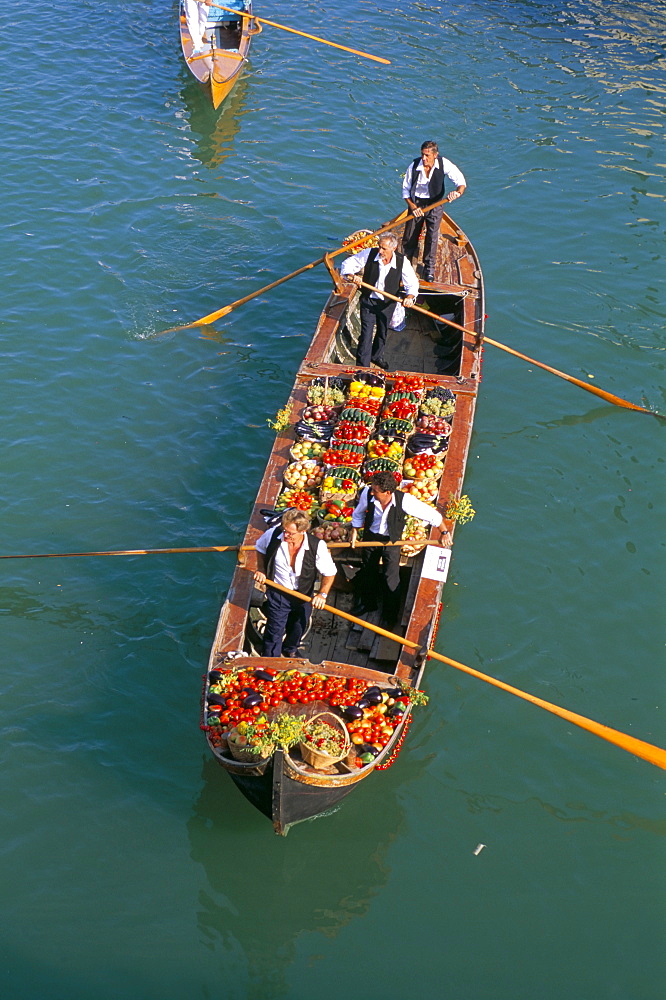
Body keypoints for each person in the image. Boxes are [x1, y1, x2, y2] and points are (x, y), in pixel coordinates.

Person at [350, 471, 451, 628]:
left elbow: (432, 516)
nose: (372, 492)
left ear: (387, 492)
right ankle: (368, 603)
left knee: (391, 578)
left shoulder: (405, 501)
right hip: (370, 539)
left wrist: (444, 532)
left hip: (391, 542)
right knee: (368, 571)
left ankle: (390, 616)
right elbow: (358, 513)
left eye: (375, 490)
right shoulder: (367, 494)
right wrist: (354, 533)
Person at [254, 509, 337, 658]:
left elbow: (329, 572)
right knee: (275, 629)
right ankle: (271, 659)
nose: (285, 535)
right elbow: (260, 548)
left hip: (303, 594)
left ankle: (290, 649)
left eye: (290, 533)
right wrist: (261, 570)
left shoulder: (317, 546)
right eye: (285, 530)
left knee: (299, 625)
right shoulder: (273, 535)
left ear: (303, 531)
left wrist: (322, 594)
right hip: (278, 592)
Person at [339, 233, 419, 369]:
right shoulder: (369, 253)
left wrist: (410, 297)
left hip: (387, 304)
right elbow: (347, 264)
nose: (380, 251)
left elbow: (412, 283)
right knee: (366, 334)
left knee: (382, 332)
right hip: (369, 301)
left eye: (384, 249)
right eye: (379, 247)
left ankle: (376, 356)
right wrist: (352, 276)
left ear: (393, 248)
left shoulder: (402, 262)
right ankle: (362, 367)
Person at [401, 141, 466, 282]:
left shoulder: (444, 164)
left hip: (436, 203)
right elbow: (405, 191)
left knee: (432, 236)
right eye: (422, 154)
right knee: (410, 234)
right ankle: (404, 264)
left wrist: (457, 193)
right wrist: (413, 207)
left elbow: (461, 182)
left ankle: (428, 269)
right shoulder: (414, 166)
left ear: (435, 155)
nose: (424, 158)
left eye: (427, 155)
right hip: (416, 203)